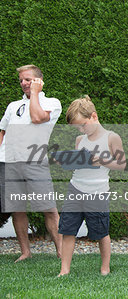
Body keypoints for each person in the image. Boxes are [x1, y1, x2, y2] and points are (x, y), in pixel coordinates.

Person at [58, 96, 126, 276]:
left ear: (94, 117)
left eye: (82, 125)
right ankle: (64, 270)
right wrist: (67, 161)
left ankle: (105, 267)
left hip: (97, 193)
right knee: (67, 229)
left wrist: (100, 160)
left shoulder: (111, 137)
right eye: (77, 128)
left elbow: (122, 164)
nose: (80, 130)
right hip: (76, 189)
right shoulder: (80, 139)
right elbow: (79, 163)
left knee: (100, 232)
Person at [0, 64, 62, 262]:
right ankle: (25, 252)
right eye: (21, 81)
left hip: (35, 163)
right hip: (10, 164)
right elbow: (2, 131)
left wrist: (35, 93)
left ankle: (62, 253)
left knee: (49, 209)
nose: (24, 84)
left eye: (28, 80)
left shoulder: (52, 103)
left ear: (38, 80)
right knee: (17, 208)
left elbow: (37, 117)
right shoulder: (13, 106)